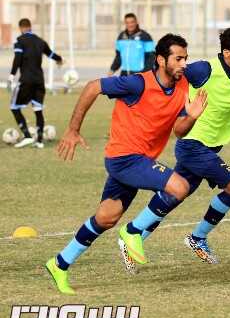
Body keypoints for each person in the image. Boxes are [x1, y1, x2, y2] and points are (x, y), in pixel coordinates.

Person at [45, 34, 208, 294]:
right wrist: (73, 129)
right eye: (178, 58)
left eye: (186, 58)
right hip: (124, 158)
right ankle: (133, 232)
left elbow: (179, 131)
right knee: (179, 187)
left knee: (105, 218)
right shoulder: (136, 83)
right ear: (161, 59)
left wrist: (192, 117)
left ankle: (59, 263)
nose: (183, 64)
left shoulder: (182, 87)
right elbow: (92, 87)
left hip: (140, 162)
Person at [119, 28, 230, 270]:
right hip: (192, 144)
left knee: (173, 197)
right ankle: (191, 237)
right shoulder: (204, 69)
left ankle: (133, 239)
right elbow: (169, 75)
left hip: (210, 146)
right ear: (227, 52)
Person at [9, 18, 63, 148]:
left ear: (21, 28)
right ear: (30, 27)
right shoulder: (40, 41)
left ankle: (27, 135)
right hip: (39, 81)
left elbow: (17, 59)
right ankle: (39, 141)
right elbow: (50, 54)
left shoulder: (19, 41)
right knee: (37, 109)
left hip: (26, 80)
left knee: (14, 107)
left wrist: (11, 76)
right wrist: (59, 59)